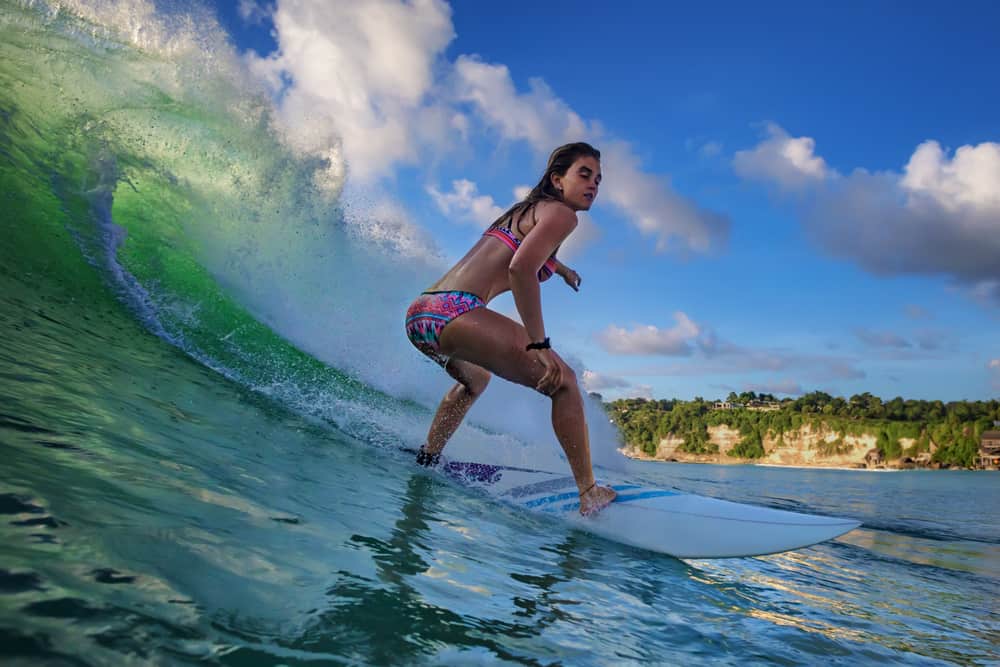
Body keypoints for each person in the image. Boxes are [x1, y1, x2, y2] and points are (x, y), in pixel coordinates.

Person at [404, 142, 617, 517]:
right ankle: (589, 492)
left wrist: (561, 269)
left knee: (476, 381)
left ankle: (428, 455)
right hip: (458, 311)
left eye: (598, 179)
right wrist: (539, 343)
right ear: (557, 179)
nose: (593, 185)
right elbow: (521, 269)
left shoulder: (524, 211)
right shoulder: (564, 215)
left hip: (423, 312)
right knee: (564, 381)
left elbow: (530, 253)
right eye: (584, 174)